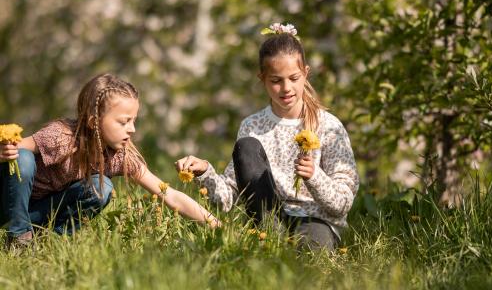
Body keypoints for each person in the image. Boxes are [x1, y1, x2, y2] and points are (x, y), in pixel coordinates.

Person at [175, 23, 359, 251]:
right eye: (276, 81)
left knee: (310, 252)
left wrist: (314, 176)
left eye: (294, 78)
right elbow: (228, 199)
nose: (286, 88)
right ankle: (270, 236)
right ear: (262, 79)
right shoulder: (252, 126)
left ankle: (280, 246)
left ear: (306, 74)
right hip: (267, 217)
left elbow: (342, 205)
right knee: (246, 146)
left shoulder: (329, 126)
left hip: (316, 220)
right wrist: (205, 171)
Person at [0, 73, 219, 249]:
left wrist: (216, 226)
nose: (132, 129)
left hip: (39, 212)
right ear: (94, 121)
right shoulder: (60, 137)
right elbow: (13, 147)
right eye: (124, 122)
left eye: (134, 121)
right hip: (7, 204)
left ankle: (47, 241)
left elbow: (169, 194)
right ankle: (18, 237)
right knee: (23, 159)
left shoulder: (119, 156)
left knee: (101, 187)